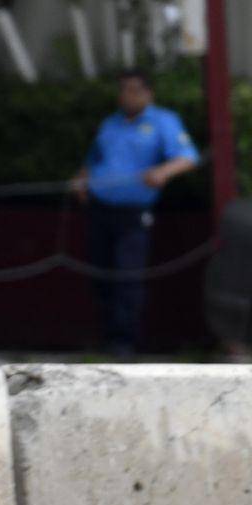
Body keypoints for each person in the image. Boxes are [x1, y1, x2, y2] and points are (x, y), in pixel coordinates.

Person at [71, 68, 199, 356]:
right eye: (123, 90)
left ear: (147, 93)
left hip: (134, 212)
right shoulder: (111, 124)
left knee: (128, 275)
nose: (126, 96)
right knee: (100, 273)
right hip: (100, 208)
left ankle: (124, 341)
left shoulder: (162, 121)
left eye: (132, 90)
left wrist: (162, 172)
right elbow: (94, 159)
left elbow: (187, 157)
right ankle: (105, 337)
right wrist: (82, 179)